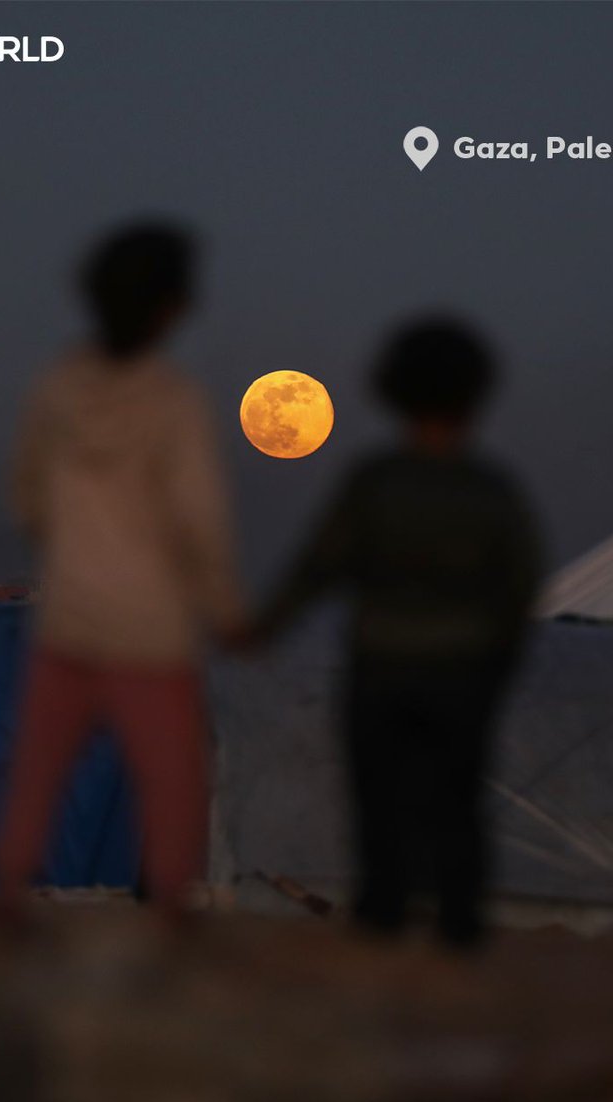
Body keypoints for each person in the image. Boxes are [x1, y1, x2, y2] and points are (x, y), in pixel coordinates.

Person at [254, 320, 540, 946]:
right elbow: (521, 585)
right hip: (463, 673)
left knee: (378, 802)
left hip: (381, 667)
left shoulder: (375, 481)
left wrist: (263, 627)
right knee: (457, 803)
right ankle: (459, 926)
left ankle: (382, 915)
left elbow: (319, 565)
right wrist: (500, 663)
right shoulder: (491, 490)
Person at [0, 222, 244, 918]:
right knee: (171, 776)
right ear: (173, 308)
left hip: (69, 616)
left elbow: (26, 499)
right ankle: (169, 907)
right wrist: (225, 609)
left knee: (39, 767)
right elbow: (200, 519)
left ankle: (6, 892)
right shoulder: (175, 402)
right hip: (152, 627)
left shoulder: (54, 392)